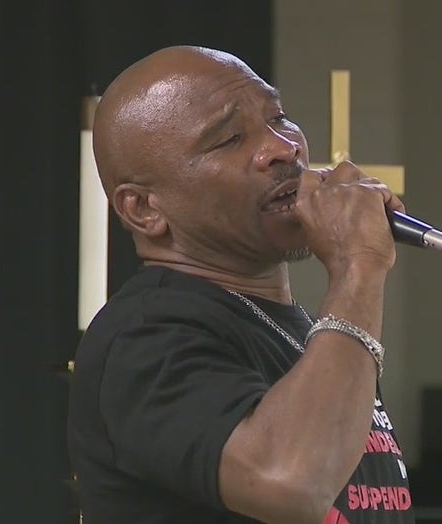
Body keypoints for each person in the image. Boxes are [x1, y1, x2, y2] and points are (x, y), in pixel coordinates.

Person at [67, 45, 414, 524]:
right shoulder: (145, 338)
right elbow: (291, 482)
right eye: (230, 138)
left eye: (280, 118)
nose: (283, 147)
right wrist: (359, 264)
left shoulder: (313, 332)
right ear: (145, 209)